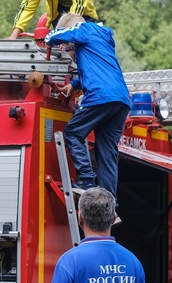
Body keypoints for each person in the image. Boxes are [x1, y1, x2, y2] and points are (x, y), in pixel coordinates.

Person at [45, 13, 131, 208]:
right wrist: (74, 84)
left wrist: (52, 38)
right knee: (107, 151)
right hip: (120, 100)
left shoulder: (84, 29)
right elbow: (97, 69)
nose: (70, 53)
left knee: (73, 133)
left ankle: (86, 180)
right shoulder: (102, 37)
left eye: (69, 50)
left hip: (100, 95)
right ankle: (110, 204)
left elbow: (53, 36)